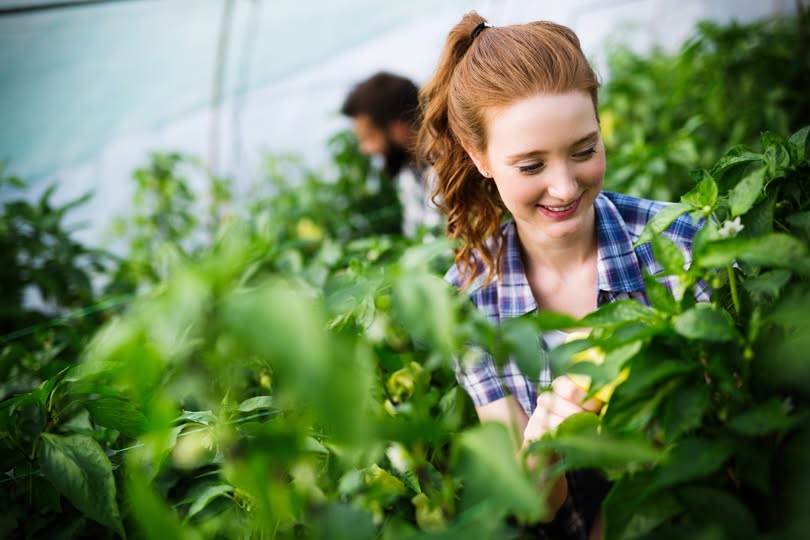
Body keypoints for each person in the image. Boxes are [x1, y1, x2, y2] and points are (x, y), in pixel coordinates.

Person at [417, 12, 709, 540]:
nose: (566, 187)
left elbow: (732, 441)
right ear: (479, 157)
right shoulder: (469, 302)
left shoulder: (683, 244)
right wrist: (543, 442)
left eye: (584, 150)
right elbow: (535, 507)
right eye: (531, 166)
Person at [341, 71, 442, 237]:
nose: (364, 149)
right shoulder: (409, 171)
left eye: (369, 137)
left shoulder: (447, 166)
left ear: (397, 129)